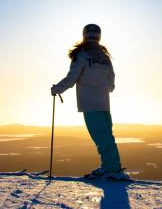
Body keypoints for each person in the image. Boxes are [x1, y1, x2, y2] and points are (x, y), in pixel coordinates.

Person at [51, 24, 129, 181]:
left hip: (89, 104)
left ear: (84, 35)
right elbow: (111, 83)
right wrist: (103, 87)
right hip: (104, 104)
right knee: (107, 137)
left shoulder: (81, 56)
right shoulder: (105, 58)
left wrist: (57, 89)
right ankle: (111, 166)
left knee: (101, 138)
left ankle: (111, 170)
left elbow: (71, 79)